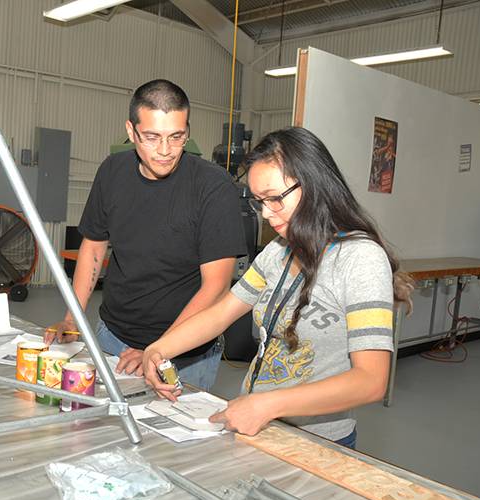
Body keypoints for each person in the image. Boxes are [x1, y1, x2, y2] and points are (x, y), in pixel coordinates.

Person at [141, 127, 414, 447]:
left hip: (317, 441)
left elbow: (370, 380)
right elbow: (222, 313)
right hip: (259, 427)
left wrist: (268, 404)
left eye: (274, 198)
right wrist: (159, 348)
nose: (267, 214)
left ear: (312, 185)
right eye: (260, 202)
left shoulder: (360, 258)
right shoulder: (278, 252)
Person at [44, 79, 247, 390]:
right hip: (112, 336)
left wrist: (158, 351)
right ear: (131, 131)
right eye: (152, 138)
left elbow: (216, 287)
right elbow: (94, 247)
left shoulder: (213, 186)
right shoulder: (112, 171)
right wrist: (72, 318)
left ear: (187, 131)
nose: (165, 151)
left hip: (183, 354)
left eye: (176, 137)